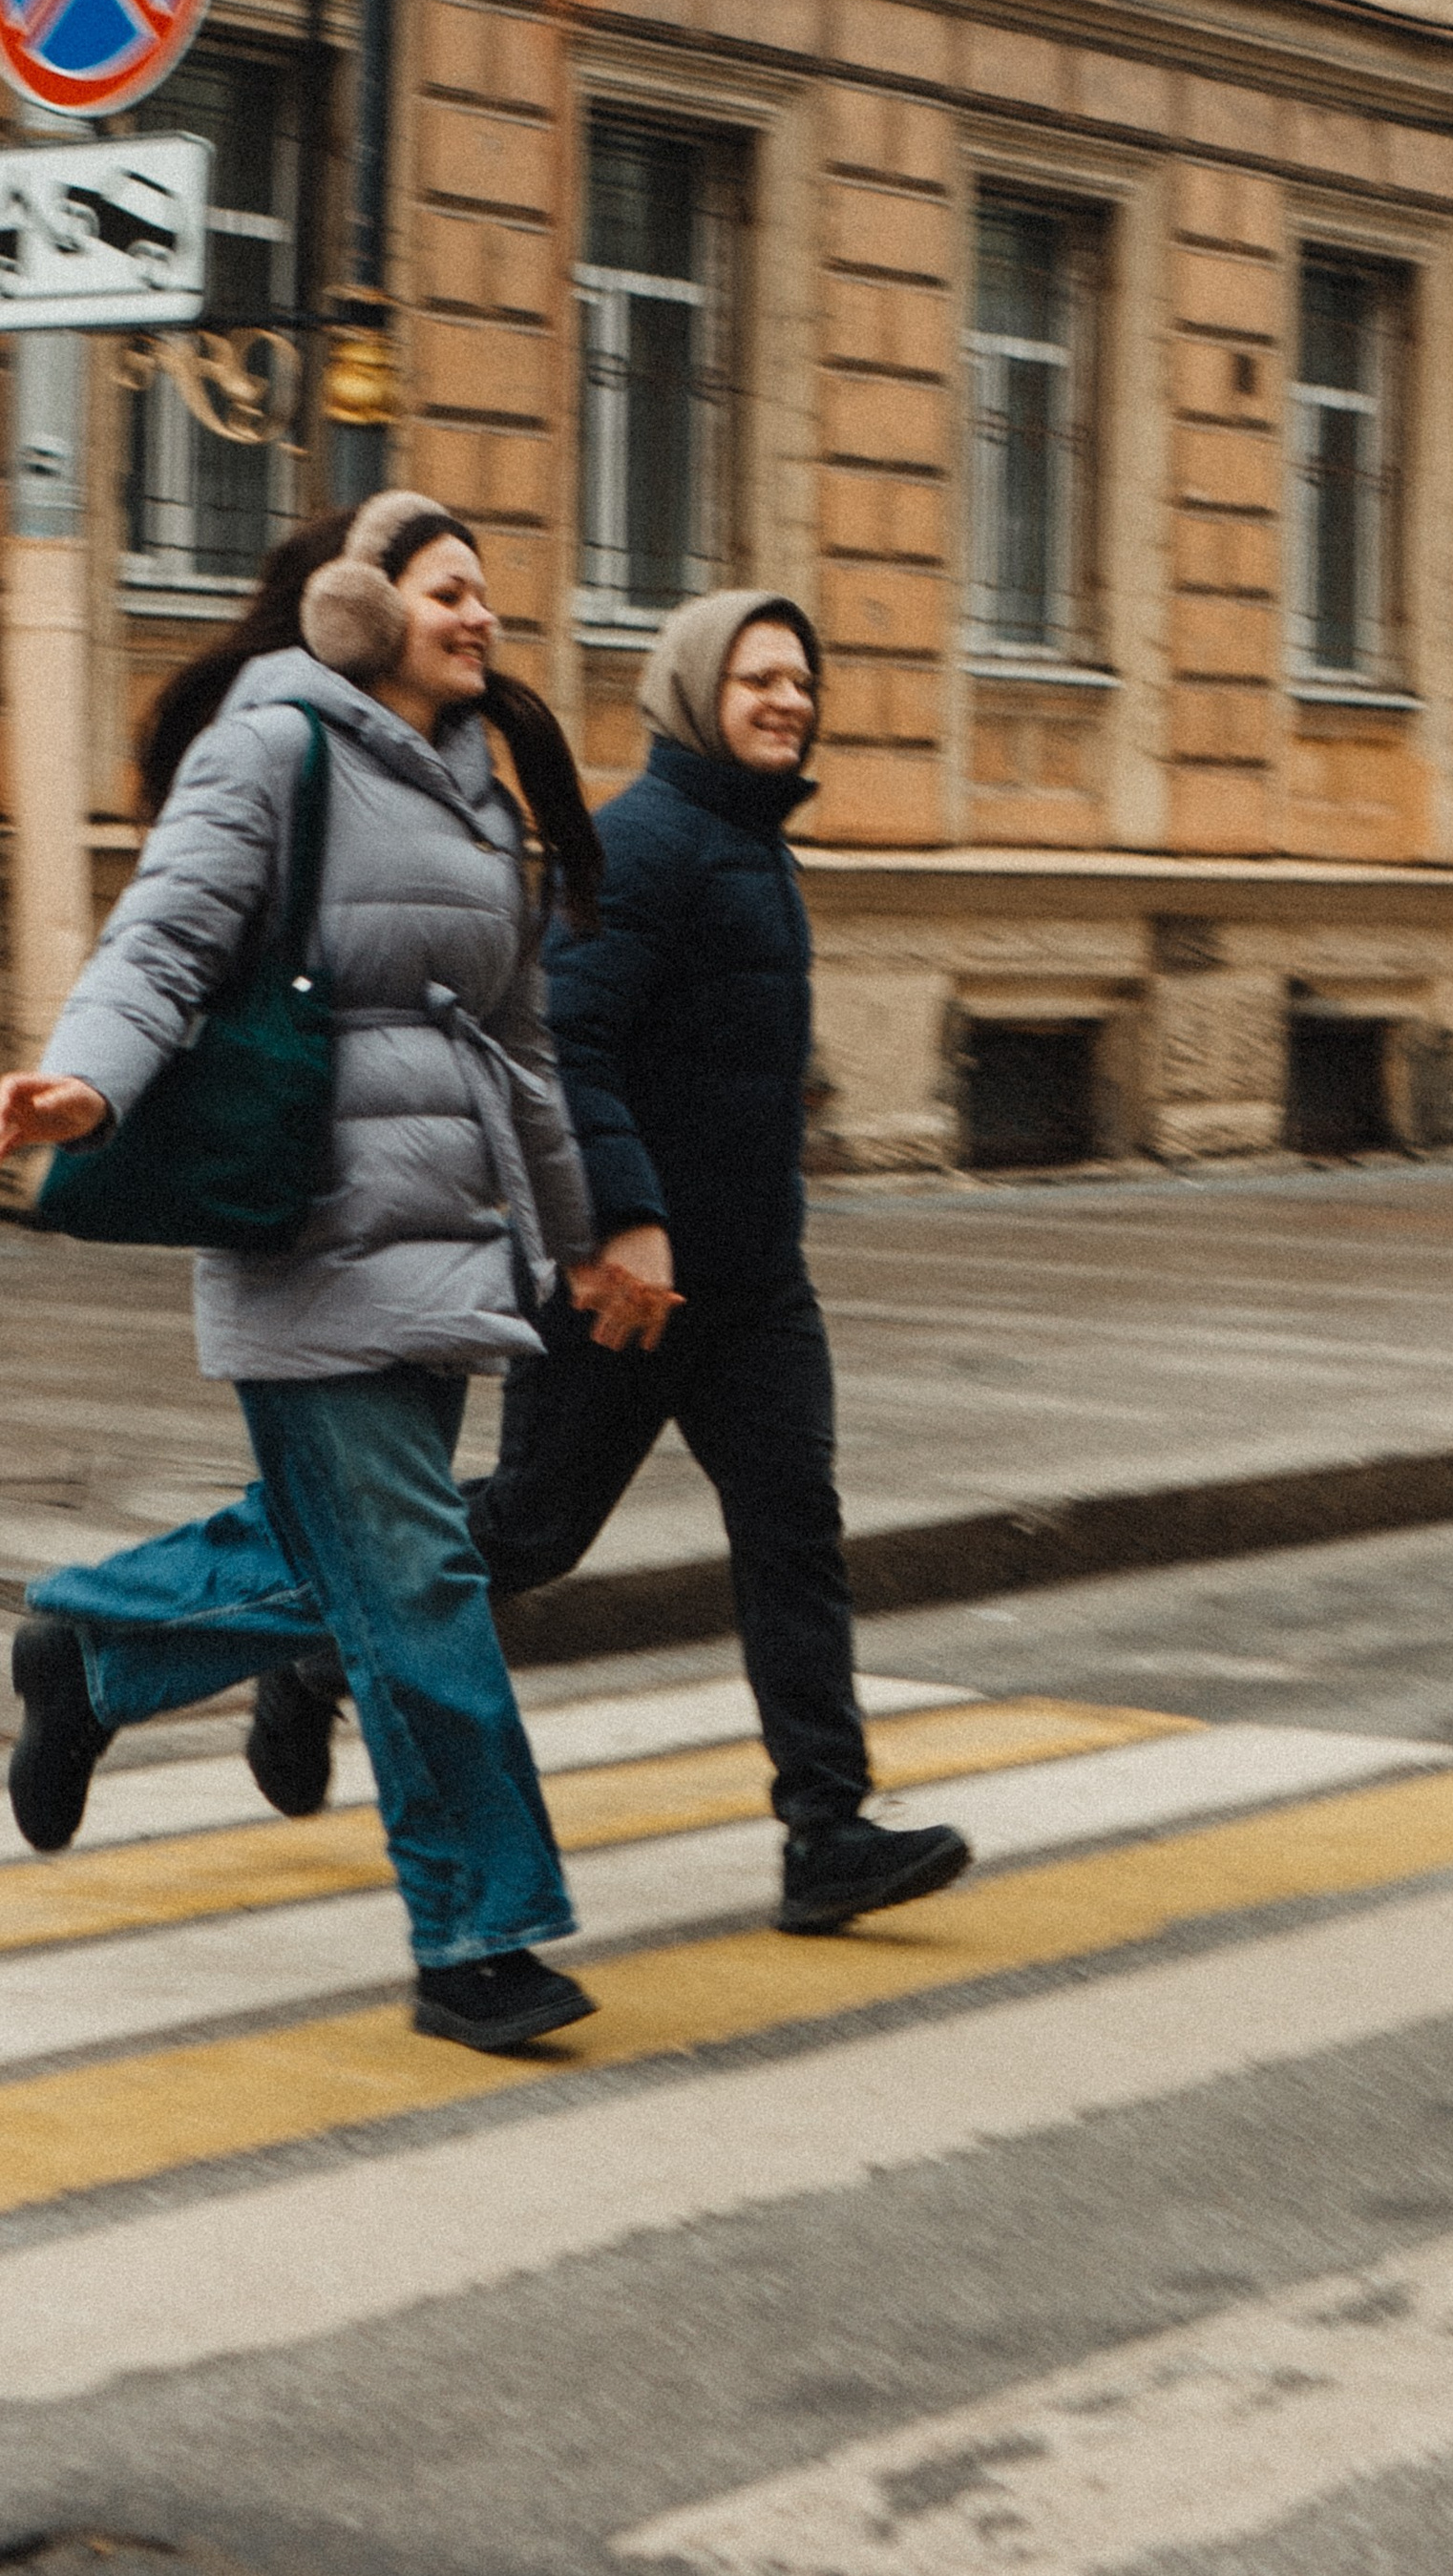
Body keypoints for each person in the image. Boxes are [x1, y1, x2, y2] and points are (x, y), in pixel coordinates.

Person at [2, 493, 663, 2053]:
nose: (480, 615)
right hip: (304, 1221)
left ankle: (93, 1650)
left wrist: (574, 1235)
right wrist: (84, 1084)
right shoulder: (272, 746)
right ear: (355, 609)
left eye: (486, 592)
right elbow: (161, 945)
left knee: (362, 1558)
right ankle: (477, 1935)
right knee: (420, 1583)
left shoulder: (479, 801)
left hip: (446, 1238)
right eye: (446, 591)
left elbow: (522, 1045)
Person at [249, 586, 972, 1937]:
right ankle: (308, 1654)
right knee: (528, 1530)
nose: (787, 701)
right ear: (696, 692)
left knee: (792, 1532)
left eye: (800, 681)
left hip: (753, 1286)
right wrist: (618, 1222)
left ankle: (827, 1830)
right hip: (622, 1282)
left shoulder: (752, 848)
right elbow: (562, 1046)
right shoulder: (640, 846)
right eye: (757, 680)